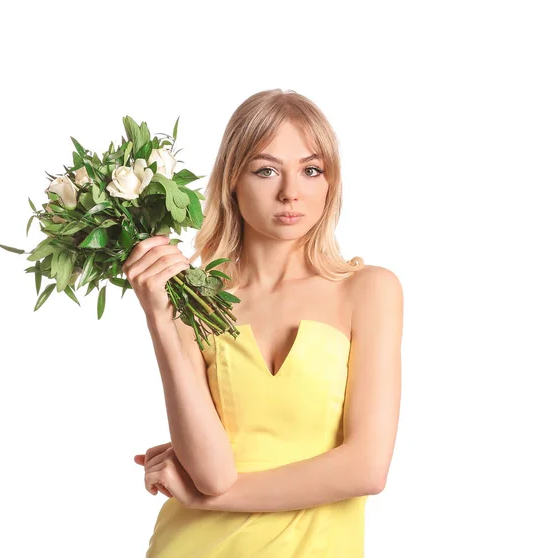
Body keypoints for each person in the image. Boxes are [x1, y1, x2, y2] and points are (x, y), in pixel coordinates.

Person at [126, 89, 403, 557]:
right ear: (232, 180)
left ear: (330, 182)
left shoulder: (369, 290)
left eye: (311, 170)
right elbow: (213, 472)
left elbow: (367, 468)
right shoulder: (196, 300)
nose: (290, 191)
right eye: (266, 170)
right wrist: (160, 317)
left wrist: (208, 499)